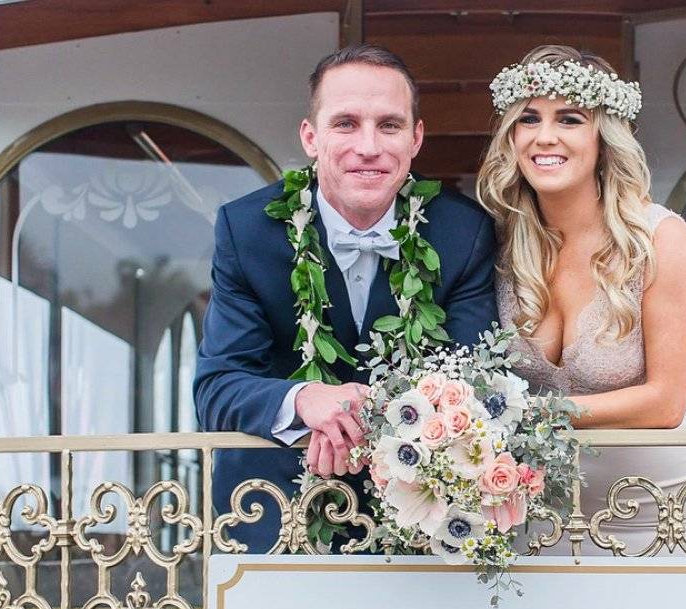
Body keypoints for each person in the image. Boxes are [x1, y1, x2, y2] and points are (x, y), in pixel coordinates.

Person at [195, 44, 497, 553]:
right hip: (273, 518)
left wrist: (362, 416)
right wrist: (304, 400)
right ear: (310, 137)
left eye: (389, 125)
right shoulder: (246, 230)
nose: (368, 146)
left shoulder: (463, 233)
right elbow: (217, 388)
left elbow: (471, 385)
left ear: (416, 138)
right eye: (346, 124)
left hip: (418, 527)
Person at [477, 45, 686, 555]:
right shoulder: (497, 244)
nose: (545, 136)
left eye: (569, 119)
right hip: (539, 511)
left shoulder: (657, 238)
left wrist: (531, 415)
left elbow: (666, 402)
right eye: (529, 119)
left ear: (604, 138)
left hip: (660, 509)